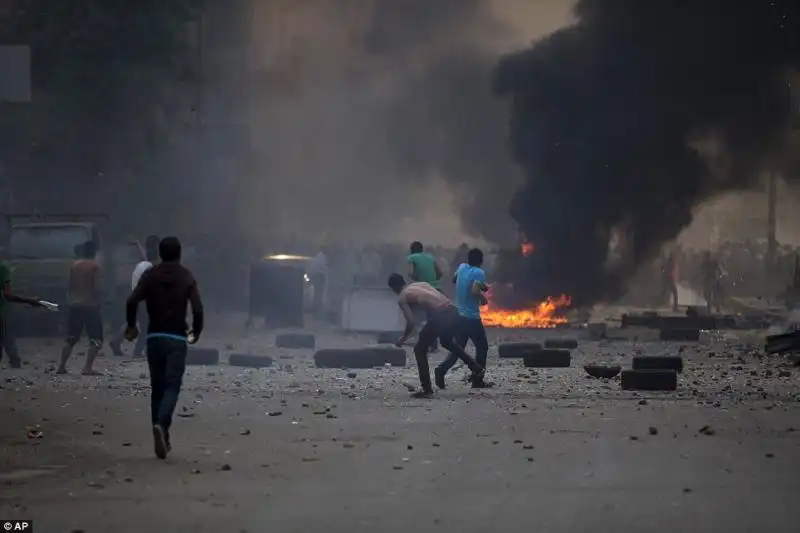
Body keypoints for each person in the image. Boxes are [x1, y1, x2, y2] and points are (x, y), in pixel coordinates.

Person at [125, 236, 203, 460]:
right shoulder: (186, 276)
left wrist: (131, 326)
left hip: (154, 336)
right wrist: (196, 331)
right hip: (176, 337)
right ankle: (162, 424)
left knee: (157, 388)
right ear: (179, 253)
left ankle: (161, 435)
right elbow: (197, 309)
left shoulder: (151, 275)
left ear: (160, 253)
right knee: (172, 386)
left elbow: (131, 301)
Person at [388, 273, 487, 398]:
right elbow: (434, 299)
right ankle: (476, 368)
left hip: (440, 315)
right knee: (446, 341)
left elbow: (411, 322)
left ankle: (427, 389)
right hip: (453, 311)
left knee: (419, 349)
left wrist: (402, 339)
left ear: (393, 288)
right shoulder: (421, 284)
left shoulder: (402, 297)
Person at [435, 248, 492, 390]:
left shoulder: (462, 267)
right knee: (482, 347)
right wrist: (482, 299)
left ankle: (441, 370)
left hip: (458, 315)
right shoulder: (479, 272)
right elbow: (474, 291)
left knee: (458, 349)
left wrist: (480, 285)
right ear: (481, 261)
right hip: (471, 317)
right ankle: (478, 380)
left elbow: (455, 280)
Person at [57, 241, 103, 375]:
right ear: (94, 252)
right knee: (96, 339)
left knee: (70, 338)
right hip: (91, 306)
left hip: (75, 305)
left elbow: (69, 286)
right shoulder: (95, 266)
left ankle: (61, 366)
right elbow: (97, 287)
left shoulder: (74, 266)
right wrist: (102, 300)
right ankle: (87, 367)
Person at [110, 235, 160, 358]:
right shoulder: (151, 268)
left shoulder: (141, 265)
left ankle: (116, 342)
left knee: (131, 323)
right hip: (143, 301)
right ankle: (138, 351)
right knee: (146, 327)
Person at [0, 259, 44, 368]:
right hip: (1, 312)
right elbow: (8, 295)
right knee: (7, 336)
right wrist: (29, 301)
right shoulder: (3, 267)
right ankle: (15, 361)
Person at [407, 241, 443, 352]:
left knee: (409, 309)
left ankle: (412, 335)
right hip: (436, 289)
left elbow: (410, 273)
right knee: (432, 317)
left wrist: (418, 280)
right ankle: (434, 345)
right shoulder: (431, 258)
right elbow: (440, 273)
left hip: (423, 290)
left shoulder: (411, 258)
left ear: (412, 250)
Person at [307, 247, 328, 318]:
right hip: (319, 276)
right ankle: (316, 312)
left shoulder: (319, 256)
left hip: (319, 276)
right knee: (318, 295)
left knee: (318, 295)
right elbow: (322, 267)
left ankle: (316, 312)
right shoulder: (321, 256)